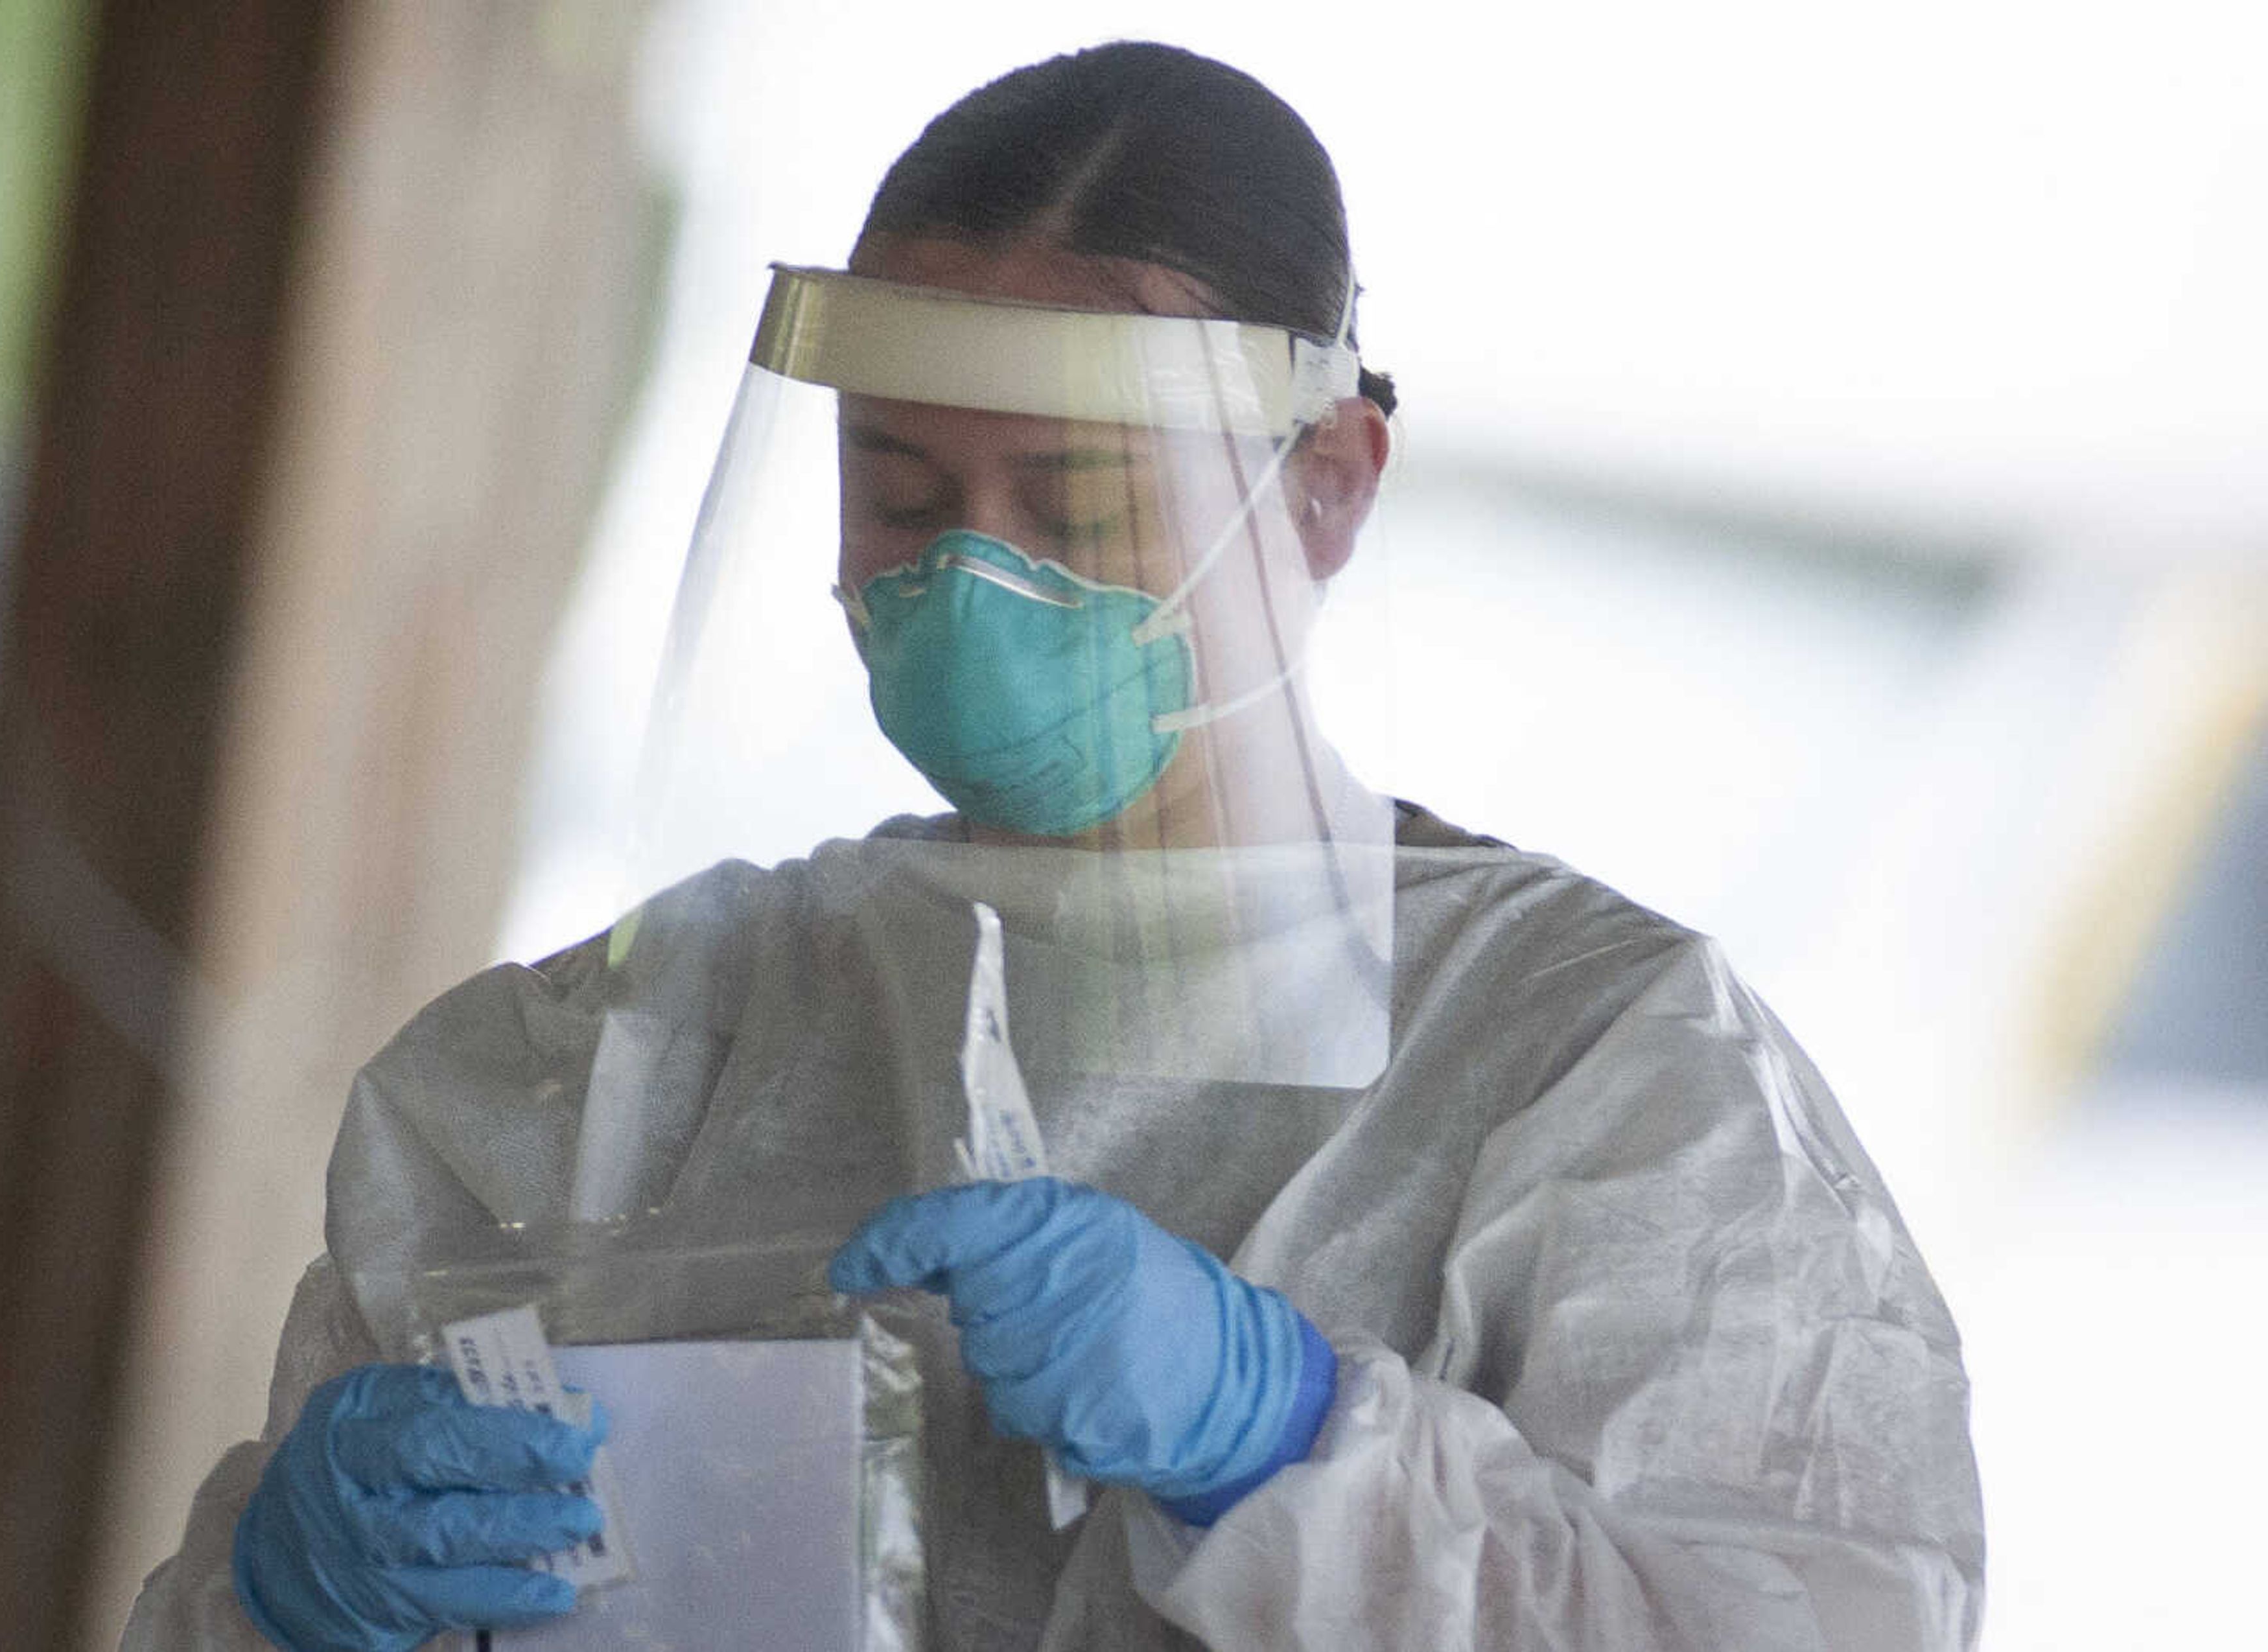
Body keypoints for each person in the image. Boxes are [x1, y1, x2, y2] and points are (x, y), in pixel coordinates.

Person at [123, 41, 1984, 1651]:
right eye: (904, 496)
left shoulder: (1603, 1078)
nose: (968, 583)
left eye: (1078, 499)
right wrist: (281, 1602)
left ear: (1324, 488)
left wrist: (1289, 1443)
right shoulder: (590, 1074)